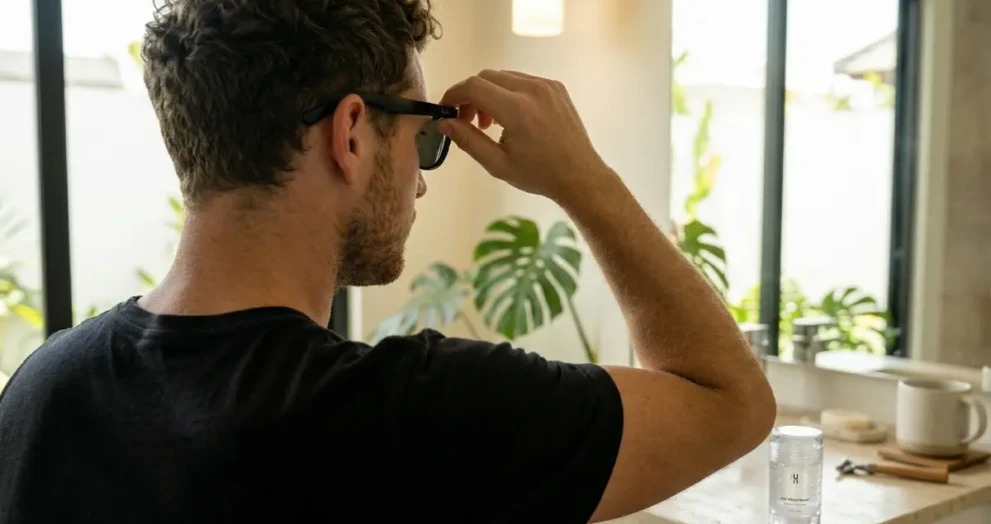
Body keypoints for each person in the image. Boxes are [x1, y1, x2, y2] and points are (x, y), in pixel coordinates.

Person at [0, 1, 775, 522]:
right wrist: (584, 180)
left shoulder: (41, 392)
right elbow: (729, 400)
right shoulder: (420, 414)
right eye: (423, 139)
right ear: (349, 134)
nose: (421, 181)